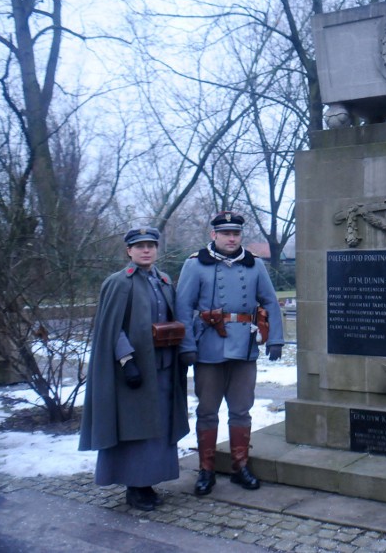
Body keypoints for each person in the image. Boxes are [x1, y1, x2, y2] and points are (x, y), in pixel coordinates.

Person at [79, 227, 190, 511]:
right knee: (136, 428)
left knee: (159, 426)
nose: (146, 250)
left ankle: (150, 481)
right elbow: (112, 328)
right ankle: (135, 486)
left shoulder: (164, 280)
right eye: (139, 246)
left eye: (151, 245)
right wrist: (127, 361)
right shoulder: (119, 282)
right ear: (128, 250)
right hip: (134, 371)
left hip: (164, 368)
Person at [176, 211, 284, 496]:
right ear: (214, 235)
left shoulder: (254, 264)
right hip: (208, 346)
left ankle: (240, 466)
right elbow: (183, 309)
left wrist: (276, 339)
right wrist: (186, 346)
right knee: (207, 411)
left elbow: (271, 302)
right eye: (225, 233)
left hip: (245, 348)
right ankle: (206, 470)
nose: (231, 238)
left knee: (241, 410)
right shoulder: (195, 264)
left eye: (235, 233)